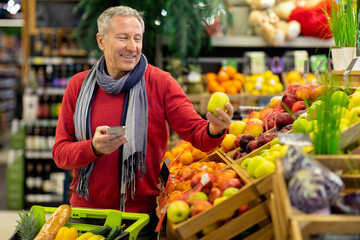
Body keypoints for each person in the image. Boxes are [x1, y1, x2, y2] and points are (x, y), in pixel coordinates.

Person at [52, 5, 234, 239]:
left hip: (141, 218)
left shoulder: (161, 83)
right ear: (101, 41)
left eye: (137, 38)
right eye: (122, 38)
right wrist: (93, 148)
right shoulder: (78, 86)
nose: (132, 46)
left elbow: (198, 134)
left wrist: (215, 128)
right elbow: (60, 154)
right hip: (86, 216)